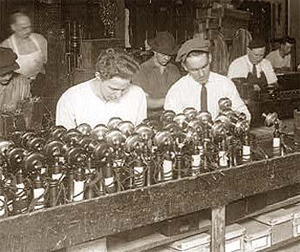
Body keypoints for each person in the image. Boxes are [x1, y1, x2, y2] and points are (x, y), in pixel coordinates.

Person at [56, 48, 147, 129]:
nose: (119, 95)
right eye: (113, 89)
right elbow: (64, 143)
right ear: (98, 76)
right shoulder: (71, 99)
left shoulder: (137, 94)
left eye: (124, 89)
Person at [164, 37, 251, 121]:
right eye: (195, 70)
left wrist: (231, 119)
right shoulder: (176, 91)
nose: (201, 74)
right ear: (185, 66)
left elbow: (245, 114)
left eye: (204, 67)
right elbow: (173, 127)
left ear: (210, 58)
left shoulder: (225, 84)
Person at [132, 32, 180, 113]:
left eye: (169, 55)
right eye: (163, 54)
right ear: (154, 51)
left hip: (172, 114)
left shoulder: (174, 69)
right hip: (150, 117)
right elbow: (144, 101)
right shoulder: (142, 70)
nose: (167, 58)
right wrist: (169, 100)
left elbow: (179, 94)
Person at [0, 12, 47, 96]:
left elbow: (47, 63)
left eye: (30, 27)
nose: (28, 31)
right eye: (24, 28)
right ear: (13, 27)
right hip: (16, 88)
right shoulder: (6, 46)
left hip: (41, 85)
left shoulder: (40, 40)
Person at [0, 47, 31, 112]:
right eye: (3, 74)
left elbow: (27, 107)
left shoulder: (22, 81)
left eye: (10, 72)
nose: (8, 77)